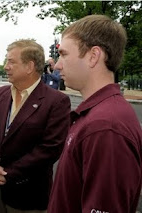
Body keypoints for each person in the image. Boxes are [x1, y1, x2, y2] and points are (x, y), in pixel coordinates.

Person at [48, 15, 142, 213]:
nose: (57, 65)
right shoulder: (101, 115)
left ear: (93, 56)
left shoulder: (104, 127)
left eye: (64, 54)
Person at [0, 39, 71, 213]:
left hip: (28, 198)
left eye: (11, 61)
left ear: (29, 66)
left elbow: (50, 149)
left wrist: (7, 174)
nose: (6, 66)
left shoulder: (56, 102)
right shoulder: (0, 94)